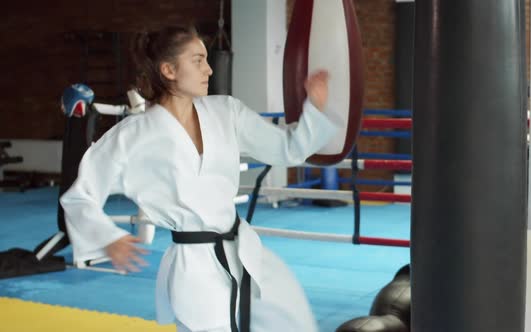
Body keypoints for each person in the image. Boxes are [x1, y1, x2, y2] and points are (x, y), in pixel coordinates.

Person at [60, 25, 338, 332]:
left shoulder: (226, 112)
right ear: (168, 70)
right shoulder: (133, 135)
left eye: (206, 59)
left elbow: (287, 148)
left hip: (243, 252)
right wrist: (108, 238)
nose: (208, 69)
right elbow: (79, 197)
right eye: (197, 60)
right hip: (193, 270)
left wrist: (316, 106)